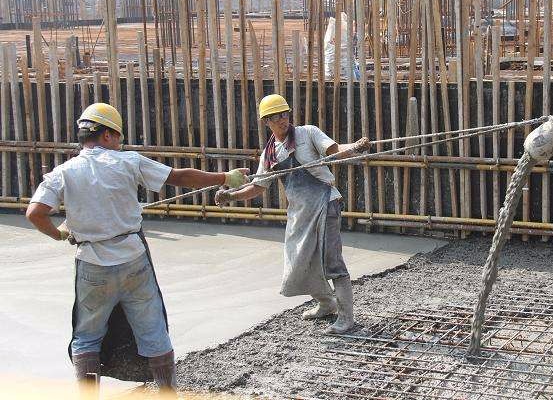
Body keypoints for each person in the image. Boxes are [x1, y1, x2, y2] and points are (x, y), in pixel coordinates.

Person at [25, 103, 249, 395]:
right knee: (153, 330)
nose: (119, 143)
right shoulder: (128, 162)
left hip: (91, 263)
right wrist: (225, 178)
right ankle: (168, 392)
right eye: (117, 136)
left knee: (87, 337)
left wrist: (58, 234)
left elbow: (35, 213)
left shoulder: (63, 172)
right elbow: (179, 177)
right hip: (133, 259)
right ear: (106, 135)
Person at [214, 94, 369, 335]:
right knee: (300, 261)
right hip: (300, 212)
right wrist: (230, 196)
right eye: (275, 117)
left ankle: (346, 317)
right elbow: (257, 187)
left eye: (284, 114)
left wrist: (355, 147)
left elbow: (336, 150)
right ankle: (326, 304)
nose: (282, 120)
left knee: (332, 261)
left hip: (325, 204)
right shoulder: (270, 154)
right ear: (266, 121)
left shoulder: (309, 133)